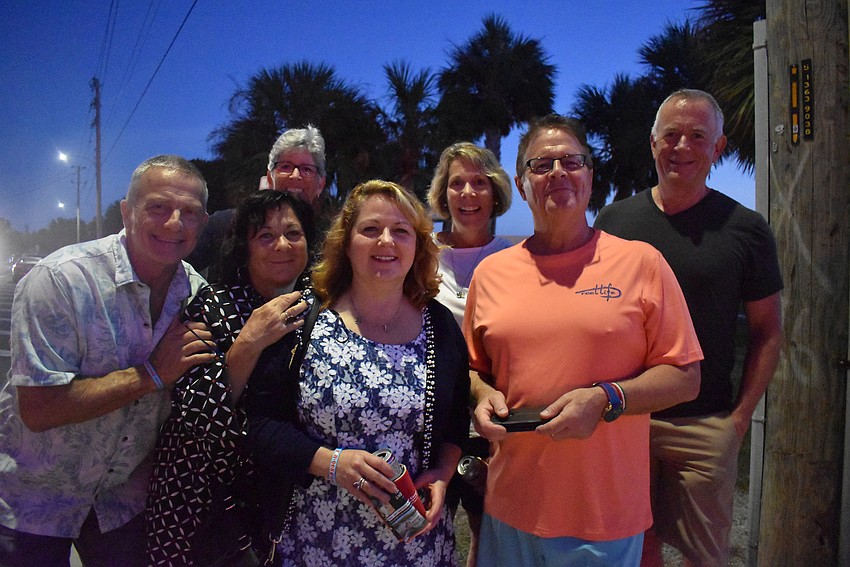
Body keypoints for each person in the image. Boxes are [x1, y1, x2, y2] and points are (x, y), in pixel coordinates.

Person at [464, 114, 704, 567]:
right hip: (509, 507)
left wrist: (605, 399)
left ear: (590, 177)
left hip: (603, 515)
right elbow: (474, 370)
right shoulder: (491, 274)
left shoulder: (642, 263)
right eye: (541, 165)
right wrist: (480, 395)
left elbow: (685, 377)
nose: (558, 172)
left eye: (571, 162)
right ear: (521, 185)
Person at [594, 89, 784, 567]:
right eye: (671, 135)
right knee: (633, 547)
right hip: (625, 418)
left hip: (704, 425)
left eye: (698, 136)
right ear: (653, 143)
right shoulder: (614, 221)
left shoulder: (746, 229)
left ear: (717, 147)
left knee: (705, 555)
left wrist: (739, 419)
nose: (682, 146)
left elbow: (767, 330)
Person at [0, 155, 213, 566]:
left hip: (121, 504)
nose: (174, 223)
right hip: (31, 499)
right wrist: (152, 374)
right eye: (158, 207)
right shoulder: (61, 279)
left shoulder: (198, 294)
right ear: (127, 211)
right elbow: (39, 408)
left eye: (189, 212)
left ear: (202, 223)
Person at [245, 180, 470, 566]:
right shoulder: (303, 319)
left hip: (418, 547)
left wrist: (442, 473)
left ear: (417, 246)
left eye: (401, 231)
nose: (386, 241)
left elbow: (455, 420)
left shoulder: (440, 325)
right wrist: (332, 464)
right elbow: (259, 422)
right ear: (346, 244)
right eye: (370, 229)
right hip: (317, 542)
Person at [145, 190, 318, 566]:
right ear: (245, 247)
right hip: (204, 498)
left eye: (293, 233)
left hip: (286, 495)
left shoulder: (320, 305)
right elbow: (197, 417)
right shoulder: (213, 305)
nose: (282, 246)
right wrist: (249, 342)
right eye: (266, 236)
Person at [427, 141, 513, 566]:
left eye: (479, 182)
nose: (467, 193)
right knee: (428, 524)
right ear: (443, 195)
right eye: (457, 183)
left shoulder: (514, 258)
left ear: (495, 193)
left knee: (487, 530)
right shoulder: (420, 252)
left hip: (490, 413)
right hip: (431, 412)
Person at [187, 125, 327, 272]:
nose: (295, 175)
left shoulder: (330, 242)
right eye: (286, 167)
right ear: (270, 178)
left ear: (321, 184)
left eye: (307, 169)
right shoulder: (224, 225)